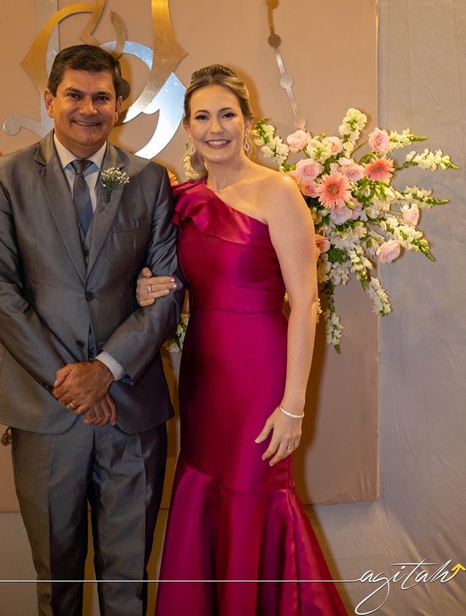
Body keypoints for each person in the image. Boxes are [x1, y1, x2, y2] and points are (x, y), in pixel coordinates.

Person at [0, 44, 184, 616]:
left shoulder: (148, 180)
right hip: (46, 410)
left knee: (128, 579)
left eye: (101, 97)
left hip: (130, 409)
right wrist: (73, 382)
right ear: (49, 100)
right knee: (57, 577)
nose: (88, 109)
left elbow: (167, 291)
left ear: (119, 105)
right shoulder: (7, 177)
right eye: (74, 95)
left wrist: (106, 371)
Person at [136, 65, 348, 615]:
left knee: (257, 497)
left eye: (227, 114)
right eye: (202, 117)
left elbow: (305, 303)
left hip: (260, 376)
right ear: (187, 128)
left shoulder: (279, 191)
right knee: (204, 492)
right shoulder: (182, 200)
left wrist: (293, 405)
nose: (216, 128)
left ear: (248, 123)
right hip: (204, 377)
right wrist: (148, 288)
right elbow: (183, 289)